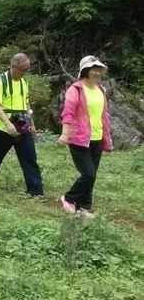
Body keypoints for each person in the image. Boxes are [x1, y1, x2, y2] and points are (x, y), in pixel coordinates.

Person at [0, 53, 44, 197]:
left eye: (27, 70)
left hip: (23, 125)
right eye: (22, 70)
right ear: (13, 66)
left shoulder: (24, 82)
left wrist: (32, 123)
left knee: (30, 158)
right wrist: (7, 123)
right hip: (3, 127)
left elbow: (26, 103)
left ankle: (36, 192)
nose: (24, 73)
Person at [58, 56, 113, 219]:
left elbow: (104, 115)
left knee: (91, 177)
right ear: (85, 71)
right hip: (78, 139)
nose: (97, 72)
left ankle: (84, 208)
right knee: (89, 175)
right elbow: (68, 113)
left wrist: (107, 137)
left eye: (99, 69)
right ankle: (69, 197)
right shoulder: (76, 90)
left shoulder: (101, 89)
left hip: (97, 138)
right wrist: (65, 133)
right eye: (94, 69)